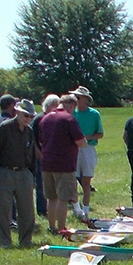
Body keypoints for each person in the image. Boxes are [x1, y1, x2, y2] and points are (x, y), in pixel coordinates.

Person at [0, 99, 39, 248]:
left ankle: (26, 240)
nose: (28, 119)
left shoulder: (29, 131)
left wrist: (31, 174)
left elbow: (31, 155)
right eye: (26, 115)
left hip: (24, 173)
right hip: (5, 172)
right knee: (2, 211)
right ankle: (4, 242)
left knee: (27, 211)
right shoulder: (5, 127)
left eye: (31, 117)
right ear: (18, 112)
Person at [35, 94, 86, 234]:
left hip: (46, 164)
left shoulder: (44, 119)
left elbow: (40, 141)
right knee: (63, 198)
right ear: (71, 105)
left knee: (52, 198)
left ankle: (52, 226)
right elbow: (80, 142)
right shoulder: (69, 119)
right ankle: (62, 228)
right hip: (64, 164)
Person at [71, 86, 103, 215]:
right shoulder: (72, 113)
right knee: (72, 179)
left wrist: (86, 138)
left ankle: (86, 208)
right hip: (73, 148)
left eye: (78, 97)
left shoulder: (94, 114)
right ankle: (76, 208)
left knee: (86, 181)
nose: (75, 99)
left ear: (85, 99)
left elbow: (100, 133)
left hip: (88, 148)